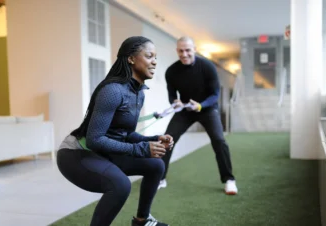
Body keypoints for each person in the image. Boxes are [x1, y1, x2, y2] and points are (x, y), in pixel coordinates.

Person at [56, 36, 173, 226]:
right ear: (131, 58)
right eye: (149, 56)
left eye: (156, 57)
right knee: (120, 185)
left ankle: (142, 221)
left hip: (103, 151)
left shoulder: (138, 93)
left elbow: (125, 134)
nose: (154, 62)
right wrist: (141, 149)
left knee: (156, 166)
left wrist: (153, 139)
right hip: (77, 153)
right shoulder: (113, 91)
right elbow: (94, 139)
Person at [159, 36, 238, 195]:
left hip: (207, 109)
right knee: (167, 139)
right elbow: (172, 96)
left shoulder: (208, 67)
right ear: (177, 51)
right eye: (181, 51)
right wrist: (176, 103)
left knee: (219, 140)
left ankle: (229, 180)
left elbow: (215, 94)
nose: (184, 54)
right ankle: (160, 178)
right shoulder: (171, 71)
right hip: (186, 111)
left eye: (188, 50)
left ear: (194, 49)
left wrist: (201, 105)